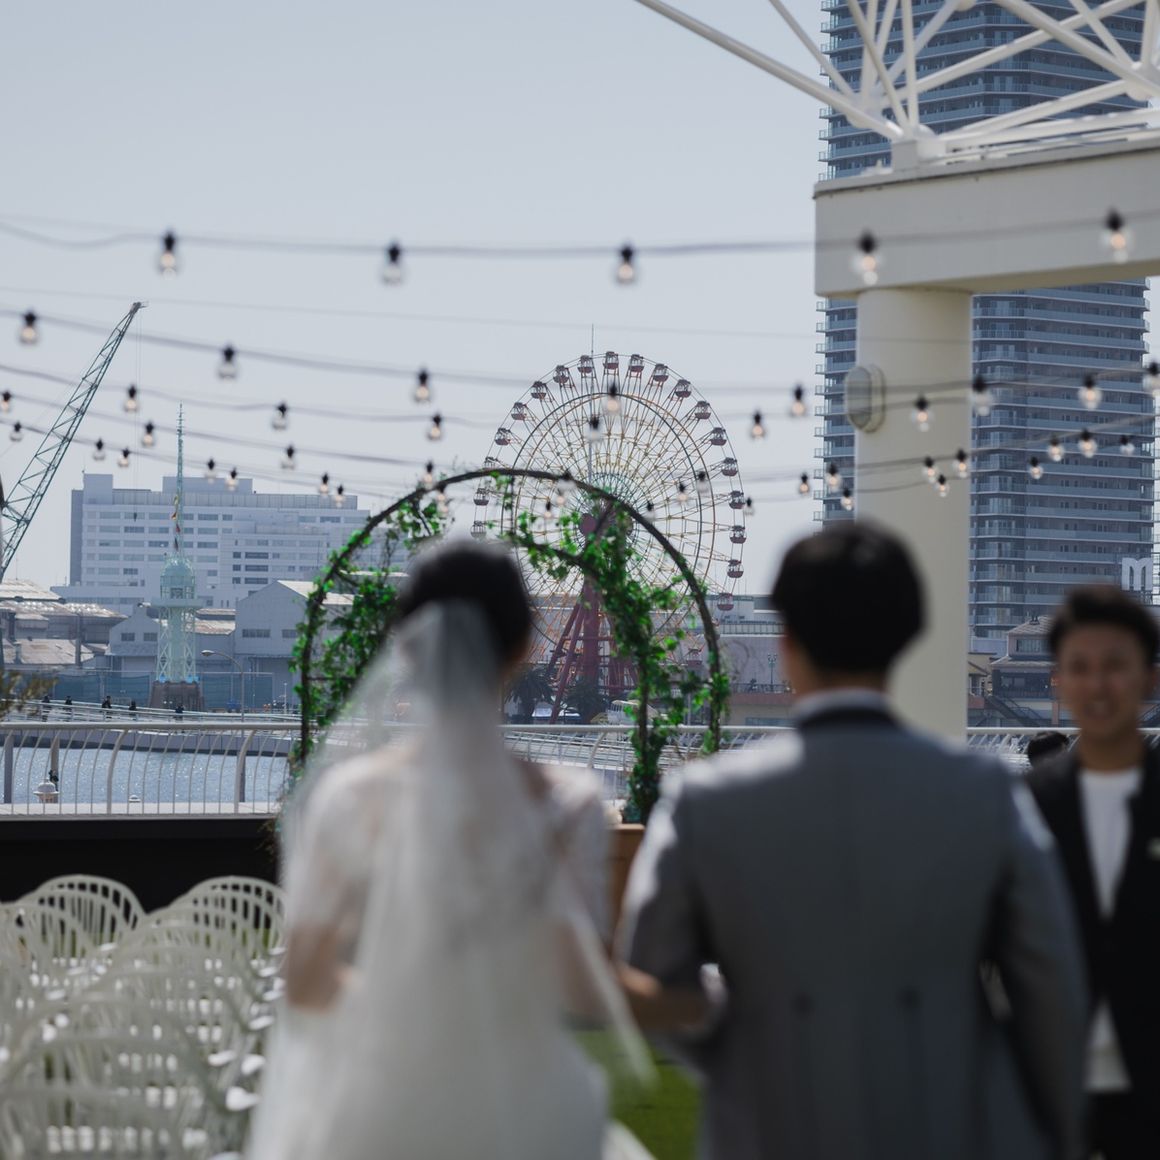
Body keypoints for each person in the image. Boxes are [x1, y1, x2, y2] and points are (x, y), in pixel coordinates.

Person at [618, 522, 1087, 1160]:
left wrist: (752, 1038)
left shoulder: (705, 802)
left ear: (787, 642)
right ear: (908, 637)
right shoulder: (986, 793)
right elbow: (1051, 987)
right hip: (954, 1123)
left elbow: (653, 983)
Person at [246, 540, 652, 1160]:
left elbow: (303, 979)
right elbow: (580, 985)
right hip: (532, 1106)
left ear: (408, 647)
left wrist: (404, 1000)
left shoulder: (351, 797)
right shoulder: (568, 803)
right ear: (523, 648)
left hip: (382, 1101)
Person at [1027, 586, 1160, 1157]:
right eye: (1079, 668)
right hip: (1048, 1078)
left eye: (1115, 667)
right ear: (1057, 681)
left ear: (1149, 678)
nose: (1098, 685)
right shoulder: (1023, 806)